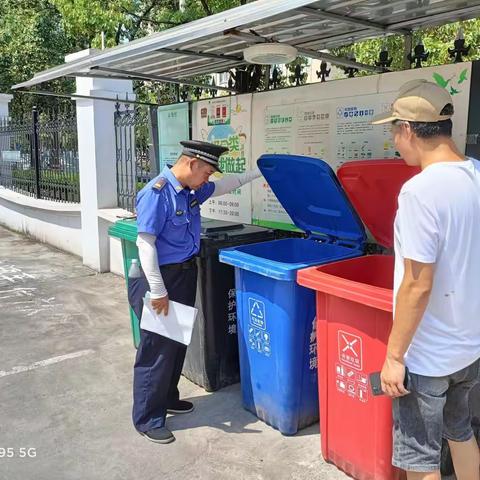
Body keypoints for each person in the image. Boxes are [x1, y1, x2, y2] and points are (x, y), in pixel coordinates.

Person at [372, 79, 480, 480]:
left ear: (407, 128)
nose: (395, 143)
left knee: (418, 457)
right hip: (468, 349)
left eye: (393, 132)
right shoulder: (476, 175)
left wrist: (394, 357)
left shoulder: (420, 191)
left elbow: (417, 283)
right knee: (460, 432)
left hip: (428, 356)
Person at [132, 140, 262, 444]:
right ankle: (147, 418)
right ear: (191, 163)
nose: (208, 179)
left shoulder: (189, 191)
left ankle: (167, 397)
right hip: (161, 280)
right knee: (156, 351)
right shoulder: (158, 193)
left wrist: (257, 172)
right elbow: (145, 244)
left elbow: (224, 187)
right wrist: (158, 290)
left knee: (176, 344)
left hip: (184, 275)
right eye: (206, 172)